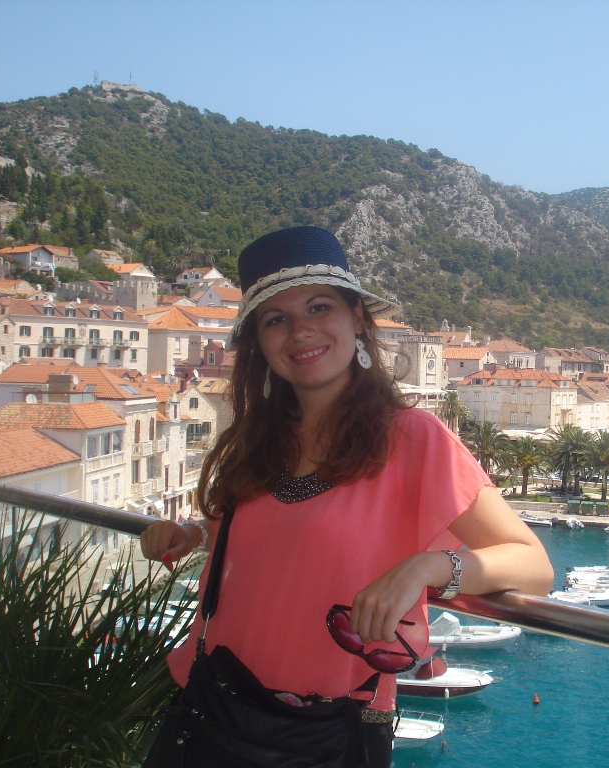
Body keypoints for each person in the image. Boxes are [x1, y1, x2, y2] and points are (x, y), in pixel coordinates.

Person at [139, 226, 554, 766]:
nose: (300, 331)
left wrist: (427, 568)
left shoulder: (413, 438)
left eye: (319, 307)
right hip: (211, 712)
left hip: (327, 733)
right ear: (260, 342)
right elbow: (261, 542)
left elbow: (533, 566)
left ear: (356, 317)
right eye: (276, 319)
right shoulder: (258, 440)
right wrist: (193, 533)